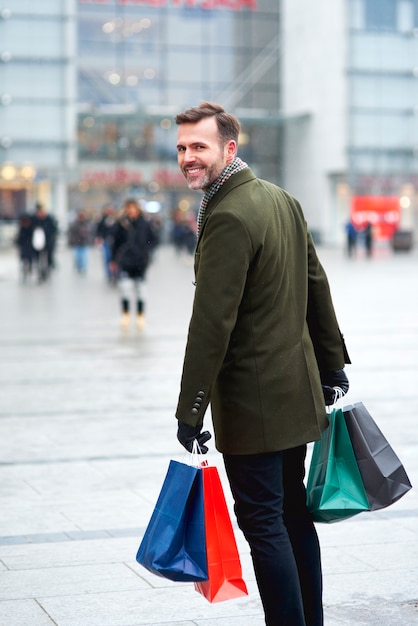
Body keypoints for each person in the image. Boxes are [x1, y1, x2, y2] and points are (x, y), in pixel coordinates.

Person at [174, 102, 350, 626]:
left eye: (199, 146)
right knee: (291, 515)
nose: (187, 157)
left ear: (230, 148)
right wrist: (332, 364)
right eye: (182, 147)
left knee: (263, 521)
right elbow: (317, 285)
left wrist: (190, 410)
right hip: (295, 392)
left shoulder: (227, 214)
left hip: (255, 403)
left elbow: (212, 324)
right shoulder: (281, 200)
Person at [110, 198, 158, 330]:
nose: (131, 210)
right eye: (128, 208)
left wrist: (146, 250)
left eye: (133, 208)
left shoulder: (145, 223)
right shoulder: (121, 224)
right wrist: (113, 260)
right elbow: (115, 242)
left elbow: (154, 239)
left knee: (140, 290)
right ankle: (125, 315)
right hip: (125, 260)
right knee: (124, 289)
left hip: (140, 261)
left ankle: (140, 315)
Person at [31, 202, 58, 281]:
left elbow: (53, 230)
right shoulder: (34, 219)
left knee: (47, 257)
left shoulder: (49, 219)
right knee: (38, 258)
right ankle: (40, 272)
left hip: (47, 242)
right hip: (37, 243)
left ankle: (46, 271)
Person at [67, 210, 94, 274]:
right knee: (78, 256)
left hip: (84, 242)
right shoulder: (75, 223)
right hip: (77, 242)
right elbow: (71, 233)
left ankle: (83, 267)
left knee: (84, 256)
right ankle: (79, 267)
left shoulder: (87, 223)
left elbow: (91, 231)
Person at [95, 204, 117, 282]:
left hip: (116, 241)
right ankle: (109, 274)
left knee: (115, 258)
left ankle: (115, 273)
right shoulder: (102, 219)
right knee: (107, 258)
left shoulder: (116, 219)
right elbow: (99, 230)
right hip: (106, 241)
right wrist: (99, 238)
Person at [15, 214, 35, 282]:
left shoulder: (29, 228)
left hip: (28, 247)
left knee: (29, 260)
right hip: (25, 247)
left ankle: (28, 271)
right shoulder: (23, 228)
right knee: (25, 260)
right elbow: (19, 239)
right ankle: (26, 272)